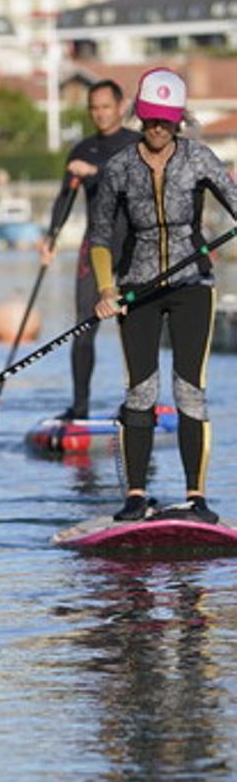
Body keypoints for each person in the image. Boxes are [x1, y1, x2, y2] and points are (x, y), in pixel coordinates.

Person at [92, 67, 237, 524]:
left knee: (189, 391)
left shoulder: (199, 158)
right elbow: (98, 237)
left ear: (178, 120)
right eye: (151, 119)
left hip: (192, 285)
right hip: (137, 289)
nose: (158, 128)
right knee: (141, 391)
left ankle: (196, 498)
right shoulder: (118, 168)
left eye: (166, 120)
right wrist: (106, 288)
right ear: (139, 116)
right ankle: (136, 497)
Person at [39, 80, 142, 420]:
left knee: (135, 328)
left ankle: (139, 404)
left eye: (106, 106)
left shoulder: (136, 145)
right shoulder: (81, 149)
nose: (99, 113)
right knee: (83, 327)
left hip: (134, 244)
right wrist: (51, 237)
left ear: (121, 106)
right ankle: (79, 407)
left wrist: (95, 173)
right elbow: (63, 198)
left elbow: (132, 183)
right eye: (93, 108)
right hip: (95, 243)